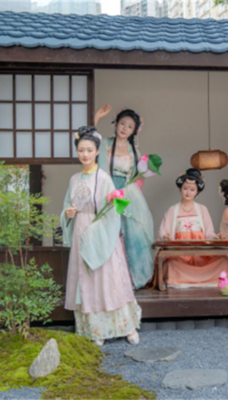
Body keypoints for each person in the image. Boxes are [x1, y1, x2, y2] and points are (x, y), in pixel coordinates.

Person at [61, 126, 141, 346]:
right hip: (80, 232)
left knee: (108, 278)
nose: (85, 154)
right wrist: (67, 213)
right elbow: (67, 204)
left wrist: (99, 228)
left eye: (89, 150)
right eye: (81, 150)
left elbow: (114, 209)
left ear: (97, 151)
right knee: (86, 279)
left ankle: (127, 326)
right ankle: (95, 329)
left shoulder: (104, 178)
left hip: (101, 233)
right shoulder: (74, 179)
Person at [93, 104, 155, 289]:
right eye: (122, 123)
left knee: (131, 233)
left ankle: (131, 278)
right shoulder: (105, 143)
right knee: (108, 231)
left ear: (134, 131)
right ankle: (108, 279)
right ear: (116, 123)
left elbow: (138, 176)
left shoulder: (134, 151)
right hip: (106, 191)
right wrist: (96, 117)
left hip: (126, 194)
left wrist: (128, 192)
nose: (124, 128)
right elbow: (89, 140)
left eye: (129, 126)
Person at [158, 168, 228, 288]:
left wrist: (216, 236)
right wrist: (165, 236)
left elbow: (209, 233)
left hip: (201, 254)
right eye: (185, 188)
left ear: (197, 192)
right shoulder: (172, 210)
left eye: (192, 189)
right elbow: (163, 230)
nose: (188, 192)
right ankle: (195, 278)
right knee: (171, 265)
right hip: (180, 256)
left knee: (224, 261)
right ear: (180, 189)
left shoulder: (202, 209)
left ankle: (190, 279)